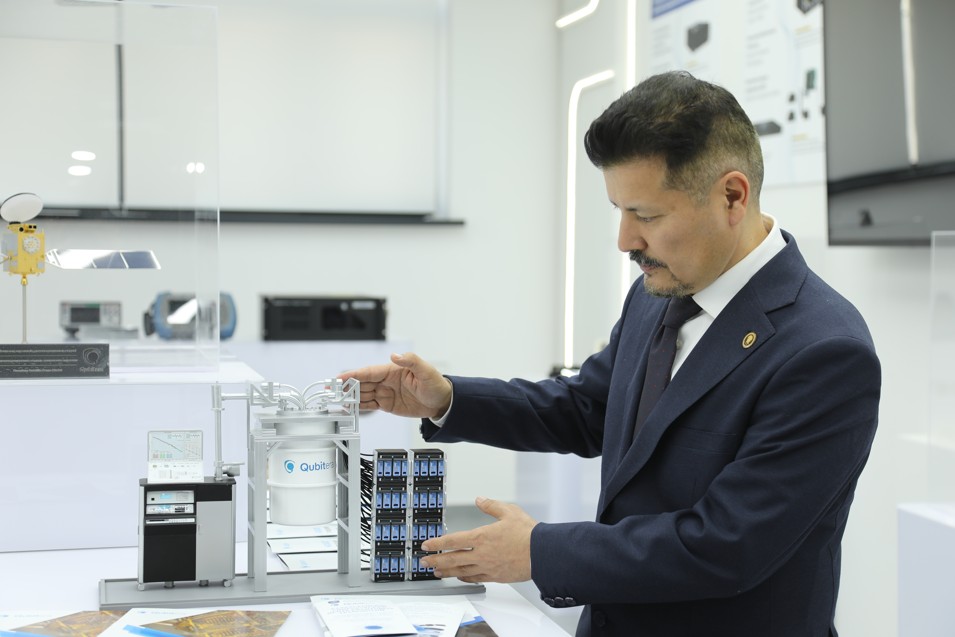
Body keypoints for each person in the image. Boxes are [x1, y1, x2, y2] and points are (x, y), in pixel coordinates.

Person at [340, 71, 881, 637]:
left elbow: (728, 545)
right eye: (619, 211)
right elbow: (589, 407)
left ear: (732, 196)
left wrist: (537, 551)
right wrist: (448, 399)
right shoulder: (658, 293)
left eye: (646, 216)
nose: (626, 241)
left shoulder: (824, 351)